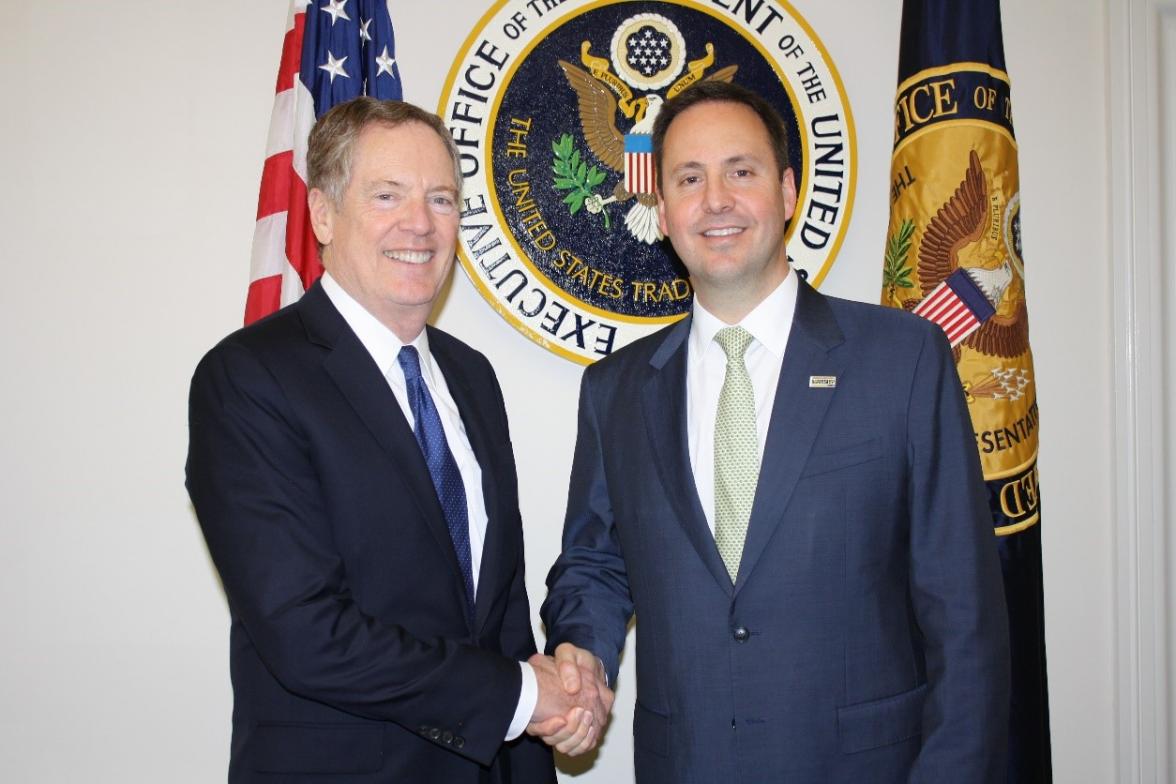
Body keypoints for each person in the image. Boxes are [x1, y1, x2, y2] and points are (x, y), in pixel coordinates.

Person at [540, 81, 1011, 782]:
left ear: (788, 192)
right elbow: (595, 565)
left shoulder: (903, 358)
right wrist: (582, 648)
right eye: (689, 179)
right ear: (662, 210)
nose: (717, 199)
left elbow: (965, 611)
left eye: (742, 171)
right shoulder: (615, 390)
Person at [186, 97, 606, 784]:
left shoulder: (471, 376)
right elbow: (305, 632)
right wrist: (523, 696)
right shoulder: (249, 378)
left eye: (441, 199)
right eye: (388, 195)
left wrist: (546, 710)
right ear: (323, 213)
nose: (420, 223)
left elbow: (496, 611)